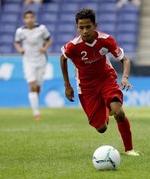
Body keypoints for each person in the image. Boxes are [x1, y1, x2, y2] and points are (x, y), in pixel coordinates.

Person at [60, 8, 140, 156]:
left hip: (106, 79)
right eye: (81, 27)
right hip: (86, 86)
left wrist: (125, 77)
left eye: (88, 27)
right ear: (77, 27)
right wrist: (67, 85)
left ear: (95, 26)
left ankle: (129, 149)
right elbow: (63, 58)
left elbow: (125, 60)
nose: (84, 31)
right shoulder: (72, 46)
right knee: (101, 128)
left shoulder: (106, 40)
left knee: (118, 112)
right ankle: (105, 106)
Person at [14, 10, 52, 120]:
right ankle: (36, 113)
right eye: (27, 17)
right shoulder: (20, 31)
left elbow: (49, 40)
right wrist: (20, 49)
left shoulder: (41, 28)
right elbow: (16, 42)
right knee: (32, 85)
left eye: (31, 17)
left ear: (34, 18)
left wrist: (44, 48)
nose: (29, 19)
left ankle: (35, 104)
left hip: (41, 60)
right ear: (24, 19)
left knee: (38, 86)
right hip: (28, 60)